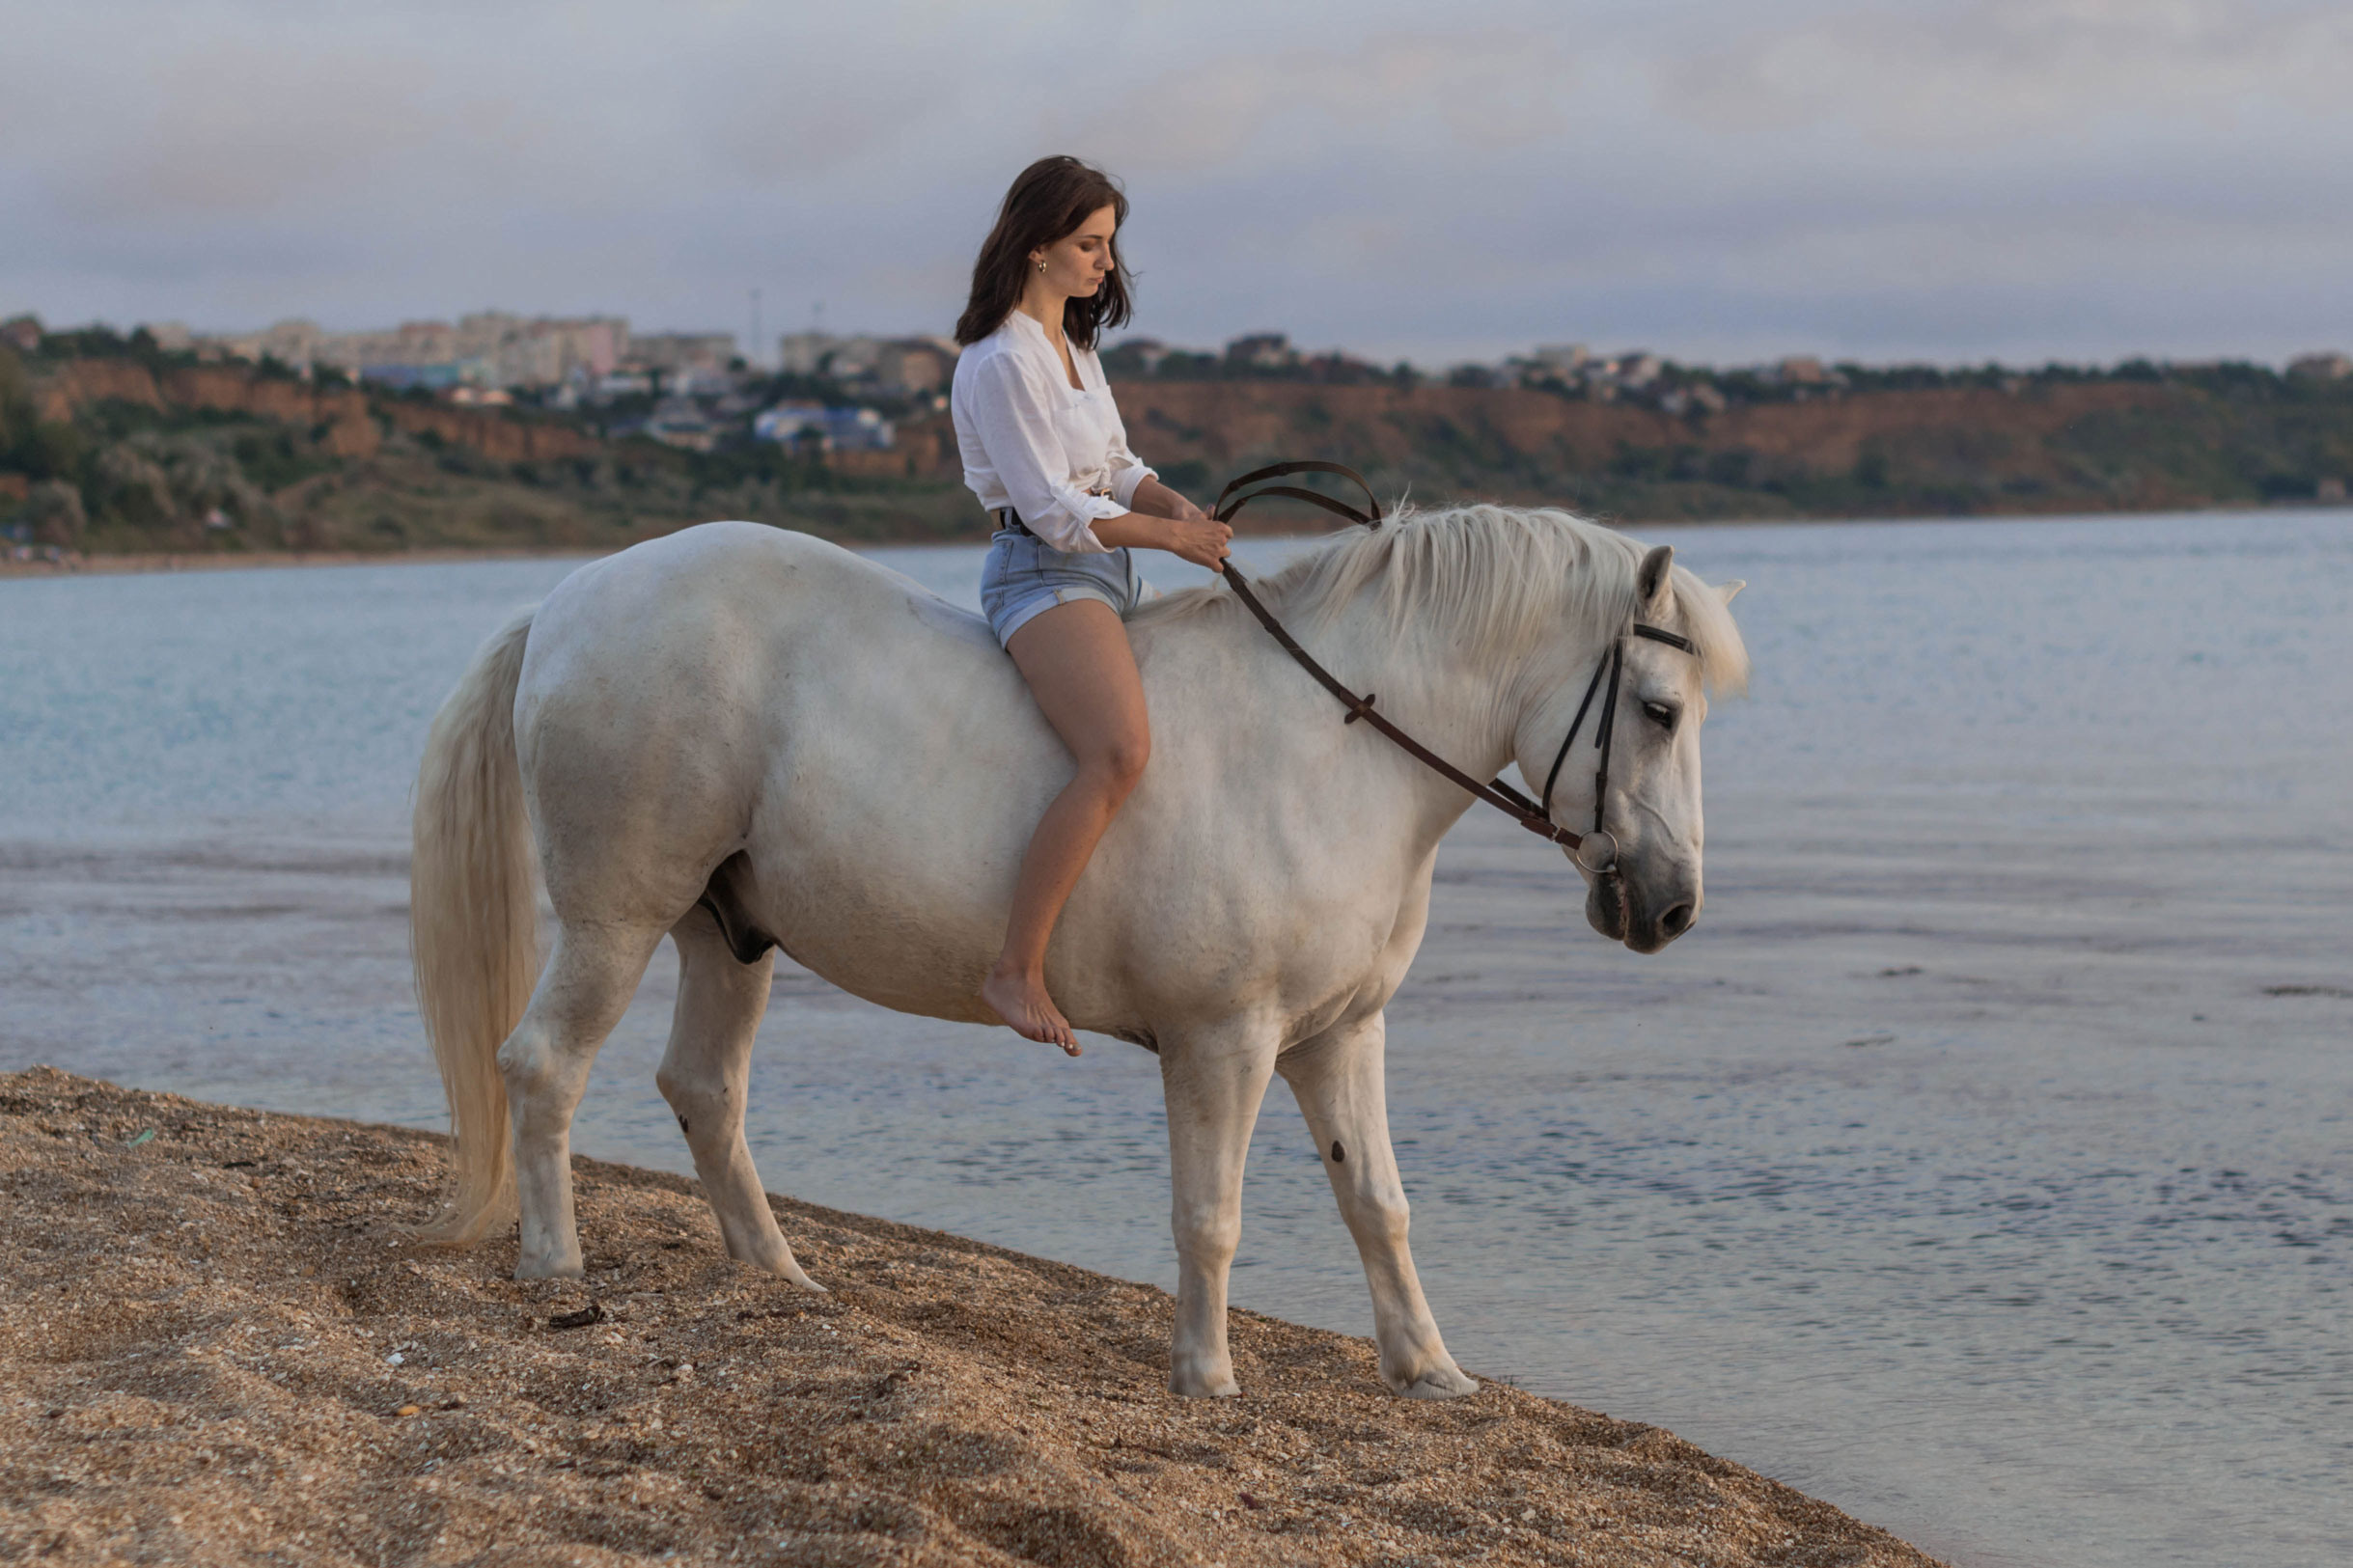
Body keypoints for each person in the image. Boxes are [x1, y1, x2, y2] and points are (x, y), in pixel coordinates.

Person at [951, 154, 1232, 1056]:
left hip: (1104, 571)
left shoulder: (1073, 346)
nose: (1107, 261)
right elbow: (1052, 510)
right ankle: (1016, 968)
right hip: (1040, 573)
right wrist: (1173, 543)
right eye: (1089, 243)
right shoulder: (1003, 361)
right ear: (1037, 246)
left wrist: (1175, 505)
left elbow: (1112, 467)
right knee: (1119, 752)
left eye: (1109, 243)